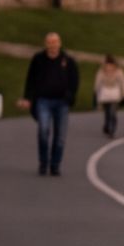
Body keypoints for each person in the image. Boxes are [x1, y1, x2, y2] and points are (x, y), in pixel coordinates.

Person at [22, 31, 80, 177]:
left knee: (60, 135)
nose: (53, 45)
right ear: (45, 44)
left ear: (59, 43)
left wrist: (70, 96)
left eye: (55, 42)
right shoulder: (38, 59)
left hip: (62, 102)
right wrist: (28, 97)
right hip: (43, 100)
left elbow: (74, 80)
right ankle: (43, 162)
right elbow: (30, 78)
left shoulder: (67, 60)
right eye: (50, 42)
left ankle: (55, 165)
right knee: (43, 130)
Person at [95, 53, 124, 137]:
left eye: (111, 65)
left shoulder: (119, 72)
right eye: (107, 65)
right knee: (107, 112)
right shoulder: (101, 72)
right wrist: (96, 92)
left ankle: (112, 129)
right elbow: (98, 82)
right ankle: (107, 125)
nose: (109, 67)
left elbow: (123, 82)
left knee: (112, 113)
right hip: (105, 94)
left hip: (114, 94)